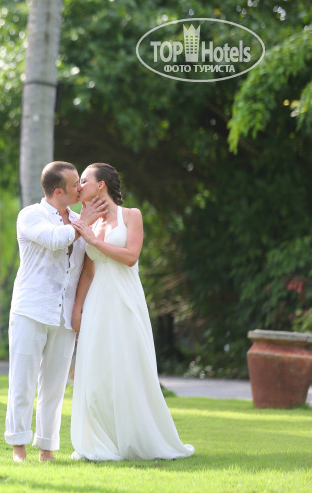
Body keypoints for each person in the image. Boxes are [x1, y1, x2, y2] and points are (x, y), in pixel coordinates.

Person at [69, 163, 194, 461]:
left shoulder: (131, 216)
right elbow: (88, 272)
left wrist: (94, 241)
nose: (79, 186)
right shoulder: (87, 222)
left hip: (125, 300)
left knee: (128, 367)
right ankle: (101, 440)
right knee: (96, 370)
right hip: (97, 302)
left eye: (84, 180)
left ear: (101, 185)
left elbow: (130, 257)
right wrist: (77, 309)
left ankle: (138, 437)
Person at [5, 161, 107, 462]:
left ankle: (47, 450)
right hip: (30, 310)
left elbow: (87, 266)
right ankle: (18, 448)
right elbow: (54, 240)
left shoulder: (79, 219)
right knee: (22, 382)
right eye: (75, 184)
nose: (80, 187)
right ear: (58, 191)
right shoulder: (30, 215)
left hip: (65, 316)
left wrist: (79, 310)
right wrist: (83, 223)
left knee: (55, 386)